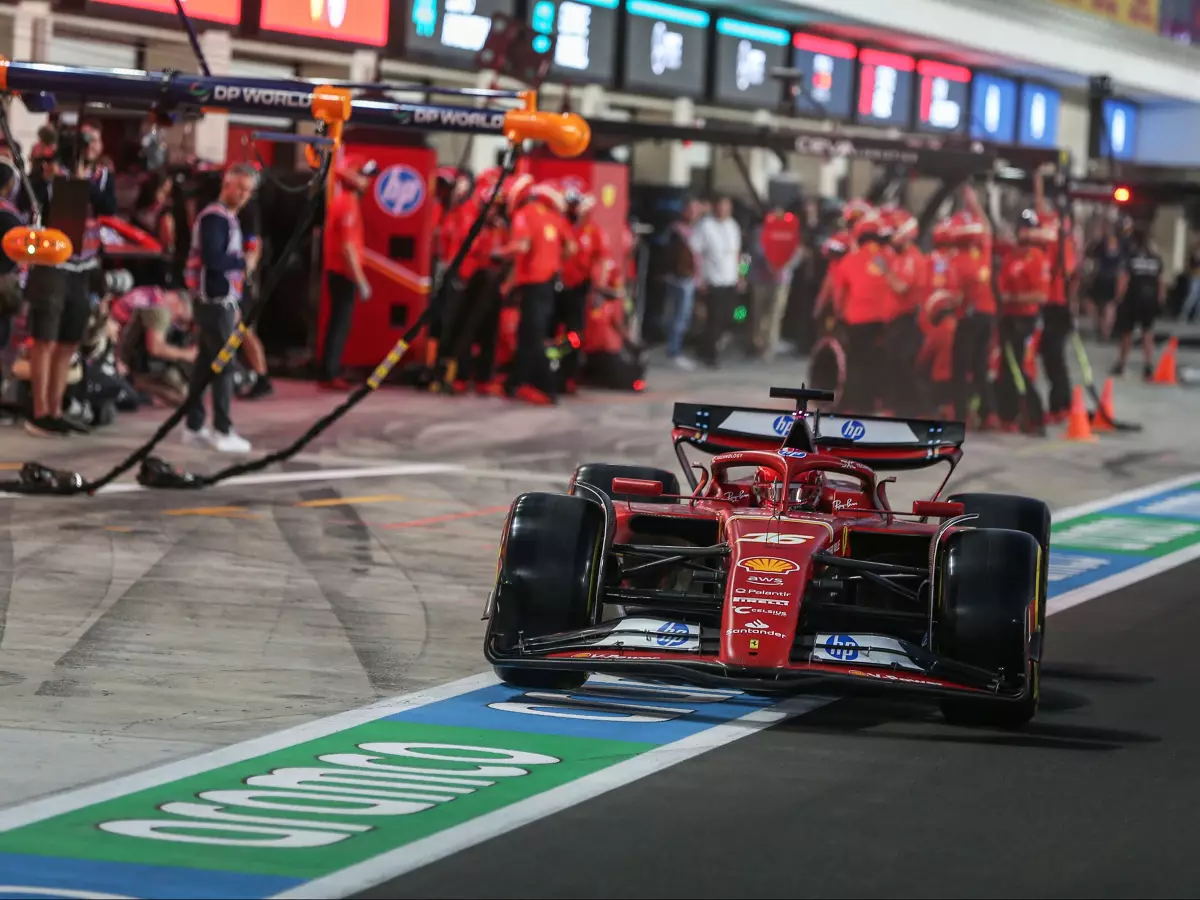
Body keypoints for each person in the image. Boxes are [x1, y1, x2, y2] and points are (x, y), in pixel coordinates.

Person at [19, 123, 116, 437]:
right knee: (45, 339)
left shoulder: (100, 176)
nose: (88, 146)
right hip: (51, 266)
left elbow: (107, 208)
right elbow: (32, 206)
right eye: (82, 140)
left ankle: (56, 409)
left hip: (83, 267)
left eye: (93, 140)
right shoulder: (46, 174)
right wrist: (52, 178)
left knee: (69, 341)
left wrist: (84, 180)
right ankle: (39, 412)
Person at [181, 163, 258, 453]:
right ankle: (222, 429)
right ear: (226, 185)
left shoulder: (226, 218)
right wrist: (243, 263)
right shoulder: (216, 218)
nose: (243, 195)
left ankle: (194, 424)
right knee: (224, 365)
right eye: (240, 187)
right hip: (214, 300)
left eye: (248, 191)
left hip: (219, 300)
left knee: (205, 364)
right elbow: (213, 260)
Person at [495, 174, 567, 405]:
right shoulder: (551, 216)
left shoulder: (523, 215)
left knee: (533, 338)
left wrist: (497, 253)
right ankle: (515, 383)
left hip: (536, 286)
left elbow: (522, 246)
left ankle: (548, 388)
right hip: (548, 284)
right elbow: (571, 248)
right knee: (527, 336)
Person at [320, 154, 377, 391]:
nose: (368, 182)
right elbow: (347, 249)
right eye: (364, 175)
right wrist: (361, 280)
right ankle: (330, 373)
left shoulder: (345, 201)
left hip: (342, 274)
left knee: (340, 323)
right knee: (340, 324)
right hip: (343, 274)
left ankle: (330, 371)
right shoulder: (347, 203)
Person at [832, 211, 897, 414]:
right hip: (883, 321)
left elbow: (838, 293)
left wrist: (838, 315)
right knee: (876, 361)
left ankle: (852, 404)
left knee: (855, 363)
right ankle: (872, 403)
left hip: (857, 320)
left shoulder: (850, 259)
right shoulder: (888, 256)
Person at [996, 210, 1052, 431]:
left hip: (1026, 319)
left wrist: (1014, 298)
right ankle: (1007, 414)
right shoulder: (1011, 255)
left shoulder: (1038, 258)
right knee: (1005, 367)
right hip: (1008, 317)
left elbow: (1041, 296)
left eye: (1029, 227)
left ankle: (1035, 416)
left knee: (1020, 367)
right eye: (1022, 227)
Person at [948, 196, 998, 428]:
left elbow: (956, 296)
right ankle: (988, 413)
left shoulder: (957, 261)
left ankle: (961, 414)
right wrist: (975, 202)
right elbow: (987, 227)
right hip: (987, 316)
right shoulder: (983, 252)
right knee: (980, 367)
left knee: (959, 366)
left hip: (968, 318)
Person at [112, 284, 197, 405]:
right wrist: (188, 354)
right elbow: (156, 348)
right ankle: (136, 383)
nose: (176, 321)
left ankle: (138, 385)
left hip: (124, 353)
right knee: (182, 396)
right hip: (121, 356)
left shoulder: (153, 296)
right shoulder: (158, 307)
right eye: (179, 319)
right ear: (179, 304)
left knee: (182, 391)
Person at [556, 188, 606, 393]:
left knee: (574, 334)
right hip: (556, 287)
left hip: (578, 288)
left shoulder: (592, 231)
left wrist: (599, 290)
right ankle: (549, 373)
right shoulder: (559, 225)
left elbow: (601, 260)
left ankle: (569, 375)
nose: (573, 209)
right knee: (551, 332)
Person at [691, 195, 742, 367]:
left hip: (730, 278)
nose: (723, 209)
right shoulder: (705, 226)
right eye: (720, 206)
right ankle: (710, 354)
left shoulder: (733, 226)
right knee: (713, 317)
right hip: (712, 278)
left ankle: (710, 345)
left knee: (730, 316)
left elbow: (739, 254)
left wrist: (742, 275)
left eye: (726, 206)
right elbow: (696, 254)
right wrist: (699, 279)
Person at [1111, 224, 1165, 379]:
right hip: (1149, 300)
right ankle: (1148, 365)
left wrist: (1118, 299)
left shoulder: (1130, 257)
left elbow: (1124, 279)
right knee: (1147, 332)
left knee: (1126, 333)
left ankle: (1121, 364)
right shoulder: (1155, 258)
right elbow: (1160, 281)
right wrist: (1160, 299)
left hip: (1131, 299)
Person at [661, 198, 701, 370]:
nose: (693, 213)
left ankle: (675, 348)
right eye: (689, 209)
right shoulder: (676, 231)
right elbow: (668, 253)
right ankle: (673, 351)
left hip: (692, 278)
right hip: (678, 278)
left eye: (695, 210)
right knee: (678, 317)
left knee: (684, 317)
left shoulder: (699, 230)